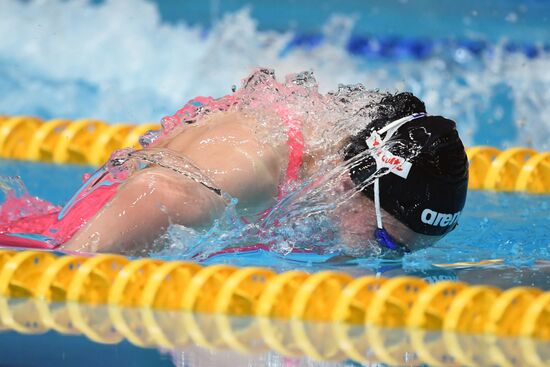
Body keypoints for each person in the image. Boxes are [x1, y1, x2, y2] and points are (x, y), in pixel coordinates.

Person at [0, 70, 468, 257]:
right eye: (387, 240)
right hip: (32, 245)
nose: (388, 258)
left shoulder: (324, 149)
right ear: (353, 184)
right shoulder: (251, 164)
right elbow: (161, 196)